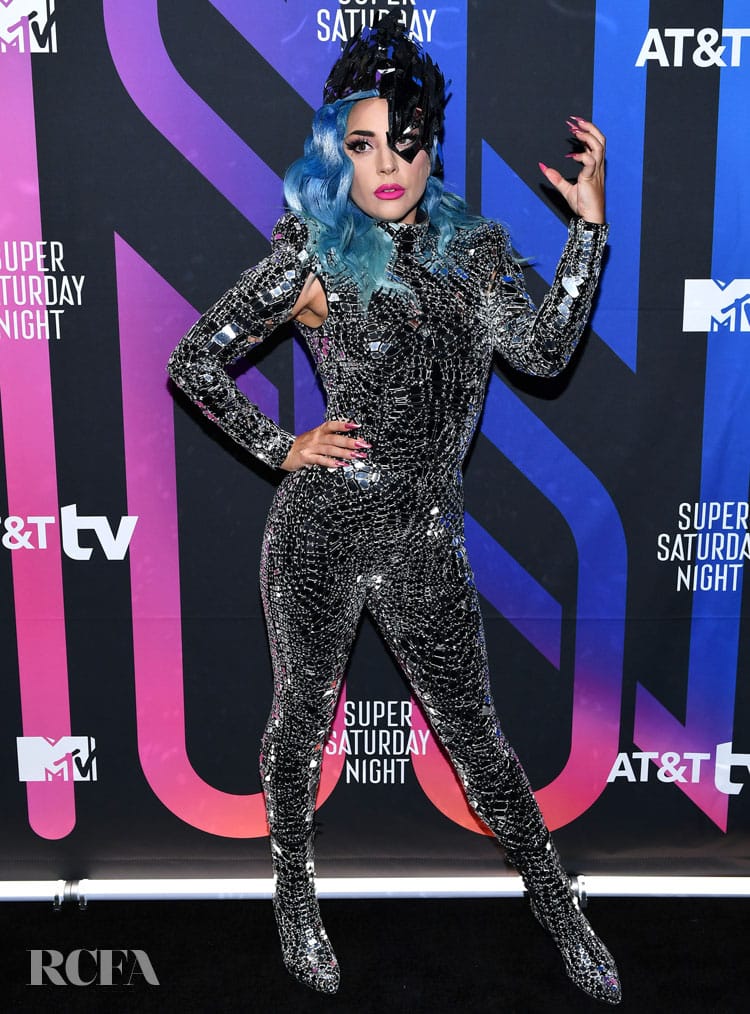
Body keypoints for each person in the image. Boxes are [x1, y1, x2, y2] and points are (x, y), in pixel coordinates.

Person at [167, 14, 620, 1006]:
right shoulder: (316, 253)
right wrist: (283, 447)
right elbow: (195, 361)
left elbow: (545, 354)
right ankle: (294, 899)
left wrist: (587, 232)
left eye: (405, 144)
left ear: (432, 146)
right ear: (338, 147)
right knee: (300, 722)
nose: (385, 167)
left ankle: (560, 908)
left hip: (424, 539)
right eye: (363, 144)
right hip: (320, 534)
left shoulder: (476, 252)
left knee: (479, 744)